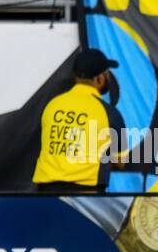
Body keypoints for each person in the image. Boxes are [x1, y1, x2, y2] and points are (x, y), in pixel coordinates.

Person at [32, 47, 126, 193]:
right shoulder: (110, 114)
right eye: (107, 74)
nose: (108, 78)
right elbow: (120, 162)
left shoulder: (52, 105)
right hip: (86, 195)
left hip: (45, 192)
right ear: (99, 79)